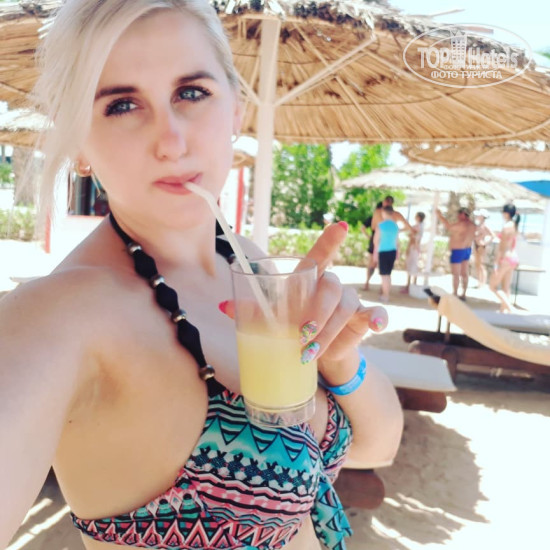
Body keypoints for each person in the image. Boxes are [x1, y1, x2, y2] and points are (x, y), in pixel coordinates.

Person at [0, 2, 404, 550]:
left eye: (191, 93)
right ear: (78, 144)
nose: (171, 141)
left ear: (236, 109)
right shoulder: (62, 314)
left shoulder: (247, 264)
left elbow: (379, 446)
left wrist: (338, 357)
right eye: (121, 105)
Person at [363, 195, 412, 290]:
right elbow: (408, 227)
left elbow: (373, 226)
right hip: (386, 242)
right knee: (381, 267)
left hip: (381, 240)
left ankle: (372, 285)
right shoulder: (393, 214)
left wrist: (391, 230)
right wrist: (394, 231)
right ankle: (373, 285)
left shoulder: (380, 213)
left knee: (378, 265)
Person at [436, 206, 476, 300]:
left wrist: (440, 216)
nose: (458, 216)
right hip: (467, 250)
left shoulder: (462, 224)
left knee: (456, 274)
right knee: (465, 273)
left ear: (463, 214)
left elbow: (449, 227)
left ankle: (455, 293)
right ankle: (464, 293)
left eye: (459, 214)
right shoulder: (473, 225)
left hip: (458, 250)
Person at [490, 203, 521, 313]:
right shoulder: (515, 226)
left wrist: (496, 264)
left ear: (506, 213)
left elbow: (502, 248)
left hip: (505, 258)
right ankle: (503, 312)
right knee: (506, 288)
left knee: (492, 286)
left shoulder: (506, 227)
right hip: (513, 258)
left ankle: (510, 309)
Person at [373, 206, 400, 303]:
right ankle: (386, 294)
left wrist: (377, 251)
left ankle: (385, 296)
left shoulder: (380, 225)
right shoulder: (395, 226)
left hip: (383, 251)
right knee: (388, 275)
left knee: (384, 276)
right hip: (393, 251)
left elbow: (376, 240)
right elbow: (397, 241)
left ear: (384, 213)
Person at [402, 211, 425, 294]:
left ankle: (408, 286)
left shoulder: (417, 227)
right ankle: (412, 285)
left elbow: (412, 238)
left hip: (413, 248)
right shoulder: (421, 226)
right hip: (416, 248)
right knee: (414, 266)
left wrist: (408, 248)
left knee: (411, 266)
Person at [473, 209, 494, 288]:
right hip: (476, 245)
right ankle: (479, 282)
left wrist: (485, 242)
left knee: (481, 265)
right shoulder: (478, 225)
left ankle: (483, 282)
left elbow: (492, 235)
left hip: (481, 246)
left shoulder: (485, 226)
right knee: (477, 264)